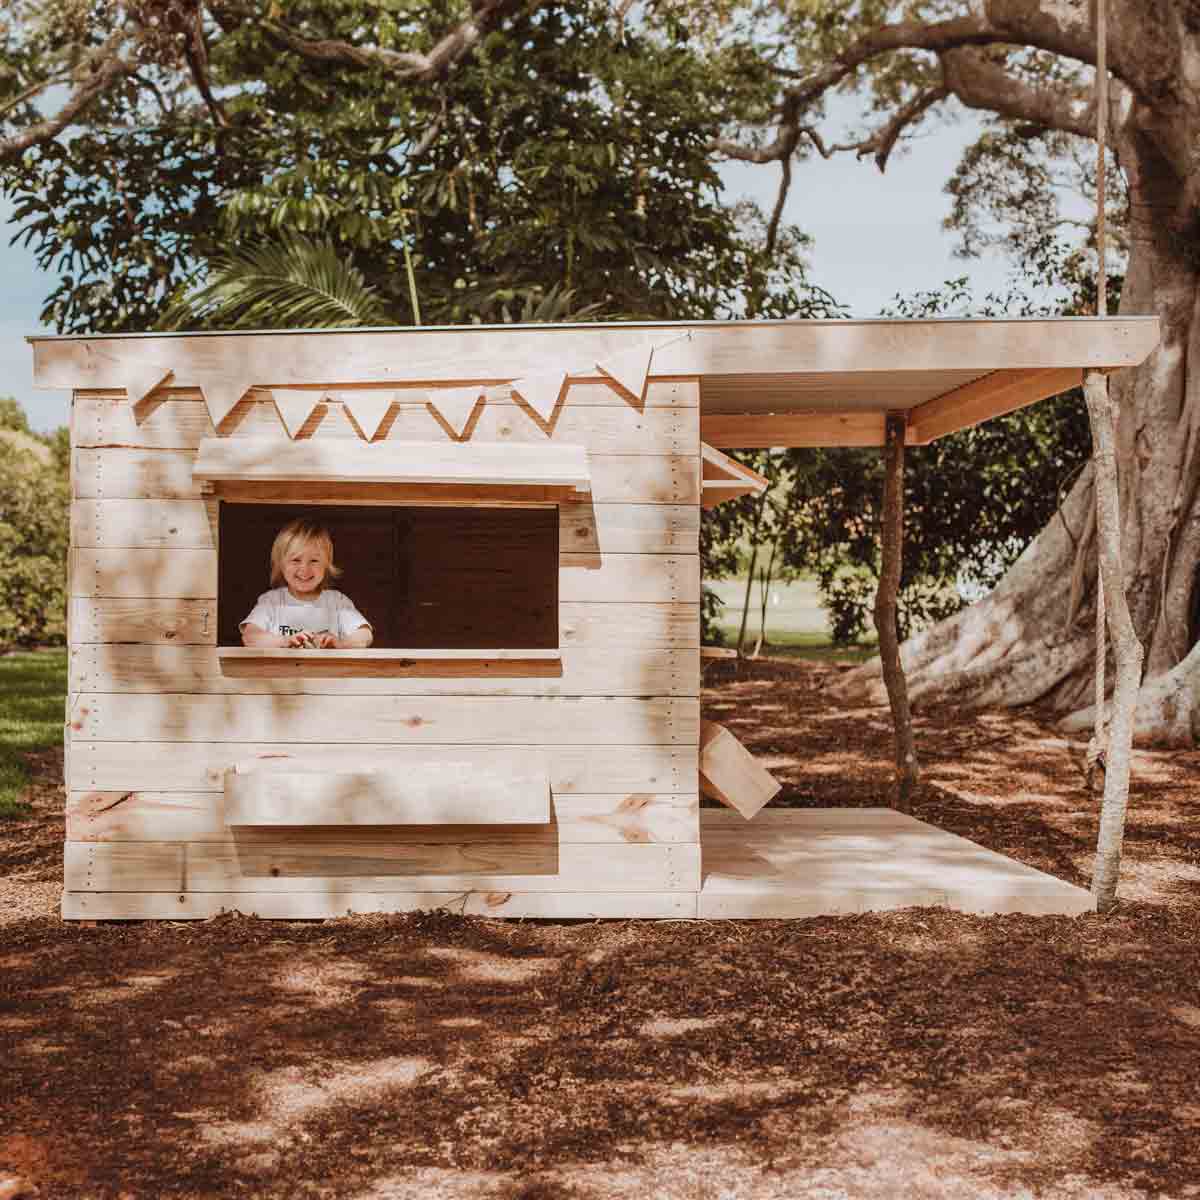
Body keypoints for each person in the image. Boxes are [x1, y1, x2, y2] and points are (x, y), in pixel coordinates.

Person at [240, 517, 374, 649]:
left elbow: (365, 635)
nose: (304, 569)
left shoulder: (337, 601)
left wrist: (340, 643)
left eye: (314, 560)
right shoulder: (271, 601)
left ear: (326, 565)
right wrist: (285, 641)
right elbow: (250, 636)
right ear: (281, 565)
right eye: (296, 560)